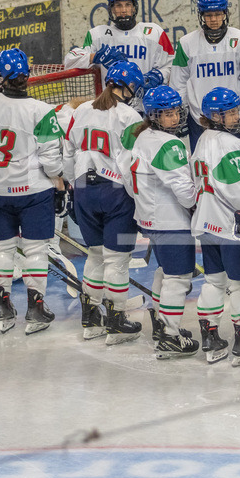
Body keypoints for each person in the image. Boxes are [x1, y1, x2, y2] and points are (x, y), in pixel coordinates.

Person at [0, 48, 66, 335]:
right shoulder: (41, 110)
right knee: (35, 250)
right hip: (33, 191)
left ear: (1, 77)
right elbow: (51, 159)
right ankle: (36, 309)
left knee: (2, 248)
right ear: (27, 76)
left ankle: (1, 304)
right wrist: (59, 184)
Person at [64, 61, 145, 344]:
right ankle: (116, 320)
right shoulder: (130, 116)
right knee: (117, 261)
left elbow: (68, 152)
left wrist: (71, 185)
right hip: (115, 193)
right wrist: (139, 199)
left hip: (83, 190)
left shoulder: (82, 110)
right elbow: (131, 164)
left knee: (95, 255)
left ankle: (91, 319)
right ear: (130, 87)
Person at [190, 87, 240, 365]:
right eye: (232, 112)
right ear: (217, 117)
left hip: (206, 224)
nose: (238, 116)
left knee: (214, 281)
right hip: (232, 227)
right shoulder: (231, 145)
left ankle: (210, 338)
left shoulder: (202, 140)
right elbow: (239, 190)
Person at [125, 85, 201, 358]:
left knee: (165, 271)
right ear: (154, 115)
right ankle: (169, 335)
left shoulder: (142, 137)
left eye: (175, 112)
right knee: (178, 278)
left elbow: (127, 179)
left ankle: (161, 324)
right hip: (170, 221)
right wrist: (197, 205)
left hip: (149, 218)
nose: (174, 118)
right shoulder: (168, 143)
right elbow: (183, 188)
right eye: (166, 114)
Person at [64, 0, 173, 109]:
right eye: (118, 5)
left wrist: (159, 75)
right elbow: (69, 61)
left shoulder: (154, 33)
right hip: (111, 109)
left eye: (128, 5)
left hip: (145, 107)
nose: (123, 10)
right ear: (112, 9)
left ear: (134, 7)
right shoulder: (98, 35)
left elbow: (171, 65)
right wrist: (96, 56)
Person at [171, 0, 240, 149]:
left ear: (225, 14)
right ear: (201, 16)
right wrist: (181, 113)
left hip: (233, 117)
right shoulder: (187, 43)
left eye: (217, 14)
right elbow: (178, 82)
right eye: (208, 15)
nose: (213, 19)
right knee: (204, 169)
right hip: (200, 120)